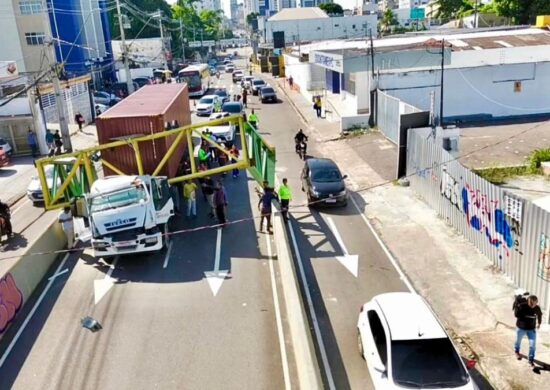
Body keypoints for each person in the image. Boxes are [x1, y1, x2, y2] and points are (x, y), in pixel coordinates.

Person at [514, 295, 542, 366]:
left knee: (532, 345)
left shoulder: (537, 308)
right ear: (528, 301)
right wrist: (517, 306)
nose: (533, 305)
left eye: (535, 303)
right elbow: (516, 315)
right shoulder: (523, 306)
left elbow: (539, 314)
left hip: (531, 329)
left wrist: (539, 323)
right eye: (531, 303)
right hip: (521, 328)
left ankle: (530, 360)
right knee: (518, 341)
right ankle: (517, 352)